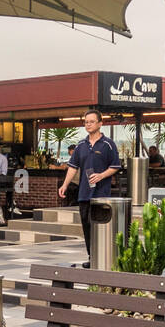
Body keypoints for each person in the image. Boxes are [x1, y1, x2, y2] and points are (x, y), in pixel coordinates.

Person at [58, 109, 122, 267]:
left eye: (92, 121)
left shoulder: (108, 144)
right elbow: (73, 167)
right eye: (86, 122)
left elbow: (115, 166)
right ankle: (92, 257)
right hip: (84, 194)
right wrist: (64, 185)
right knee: (87, 228)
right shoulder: (81, 145)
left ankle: (103, 257)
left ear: (100, 123)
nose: (88, 124)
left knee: (100, 227)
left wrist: (101, 175)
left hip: (101, 195)